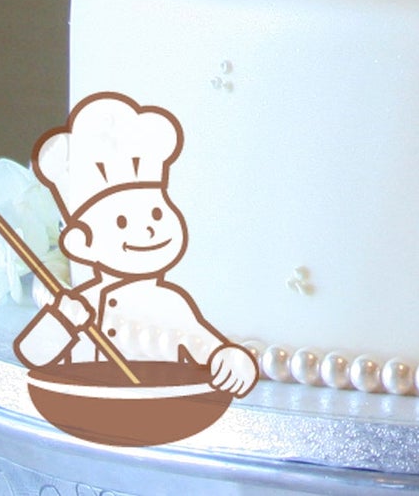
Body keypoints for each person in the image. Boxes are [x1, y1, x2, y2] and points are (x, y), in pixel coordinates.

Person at [14, 92, 257, 395]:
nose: (149, 230)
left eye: (156, 213)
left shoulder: (171, 304)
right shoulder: (82, 302)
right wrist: (64, 318)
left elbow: (207, 347)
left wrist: (230, 359)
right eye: (122, 222)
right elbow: (35, 354)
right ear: (81, 244)